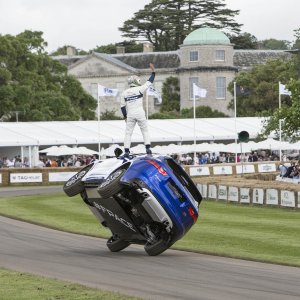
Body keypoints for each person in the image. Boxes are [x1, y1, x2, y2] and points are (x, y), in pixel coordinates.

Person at [120, 63, 155, 157]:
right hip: (140, 113)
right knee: (145, 130)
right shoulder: (139, 89)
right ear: (136, 81)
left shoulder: (124, 93)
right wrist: (153, 72)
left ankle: (126, 151)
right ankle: (148, 149)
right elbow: (149, 82)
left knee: (128, 133)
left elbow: (122, 107)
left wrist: (125, 117)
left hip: (130, 114)